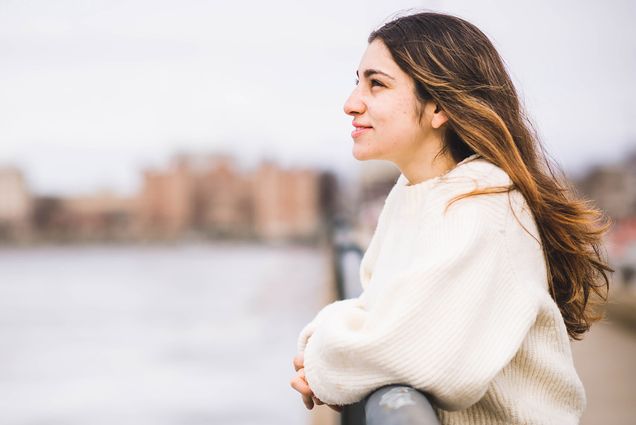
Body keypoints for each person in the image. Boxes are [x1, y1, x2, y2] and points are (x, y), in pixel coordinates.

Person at [289, 11, 613, 424]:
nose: (351, 103)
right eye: (358, 82)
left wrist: (320, 363)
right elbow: (375, 310)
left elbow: (420, 358)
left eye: (377, 84)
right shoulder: (415, 195)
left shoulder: (482, 209)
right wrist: (326, 342)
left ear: (439, 106)